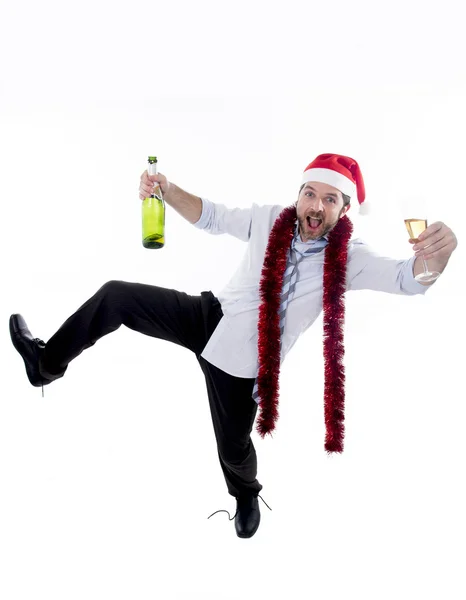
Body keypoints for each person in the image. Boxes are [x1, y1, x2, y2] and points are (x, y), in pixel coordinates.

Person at [9, 153, 458, 539]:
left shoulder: (350, 259)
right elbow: (212, 215)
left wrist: (436, 258)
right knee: (117, 295)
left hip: (244, 365)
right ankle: (45, 364)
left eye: (330, 198)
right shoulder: (267, 219)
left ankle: (246, 497)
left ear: (343, 209)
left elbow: (408, 278)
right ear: (298, 195)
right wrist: (165, 188)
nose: (316, 205)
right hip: (208, 316)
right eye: (309, 193)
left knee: (234, 450)